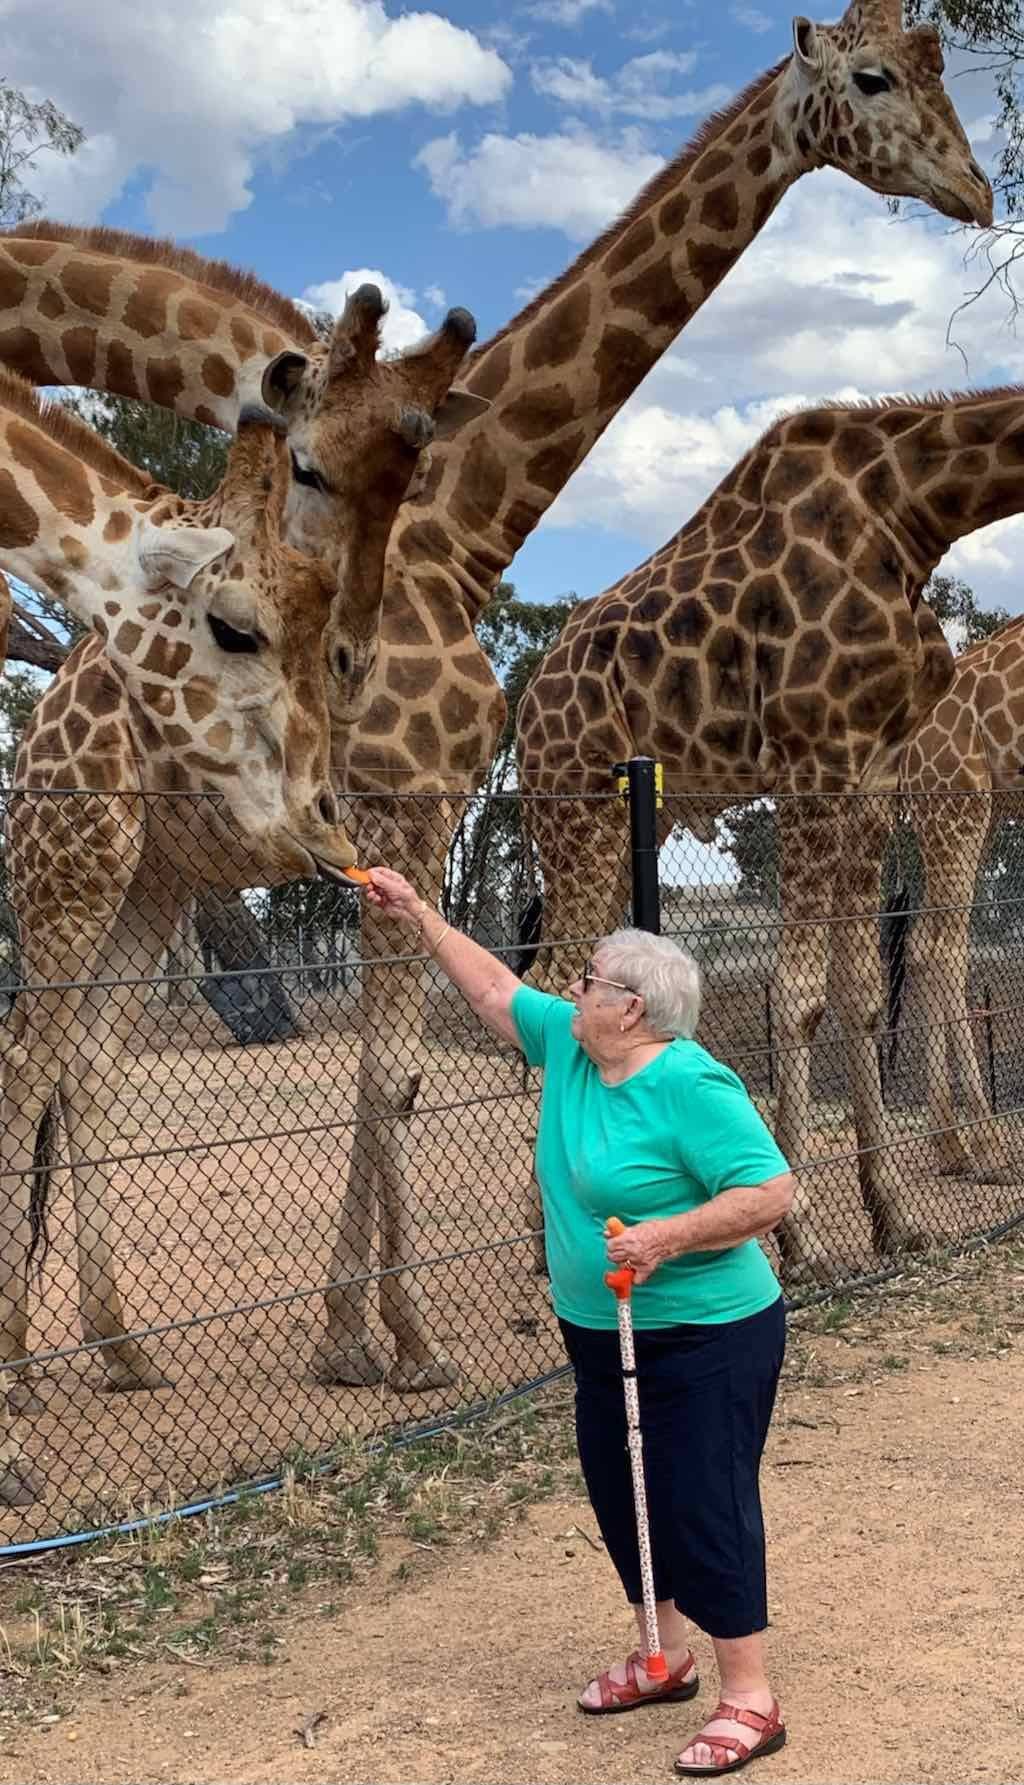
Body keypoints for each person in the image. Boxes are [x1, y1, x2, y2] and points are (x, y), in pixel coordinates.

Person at [366, 866, 795, 1777]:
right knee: (623, 1488)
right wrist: (420, 914)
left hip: (709, 1332)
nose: (573, 988)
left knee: (702, 1498)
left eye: (590, 979)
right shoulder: (569, 1045)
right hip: (602, 1331)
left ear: (633, 1007)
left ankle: (750, 1696)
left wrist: (668, 1236)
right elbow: (492, 986)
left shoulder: (692, 1085)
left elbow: (772, 1192)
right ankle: (663, 1657)